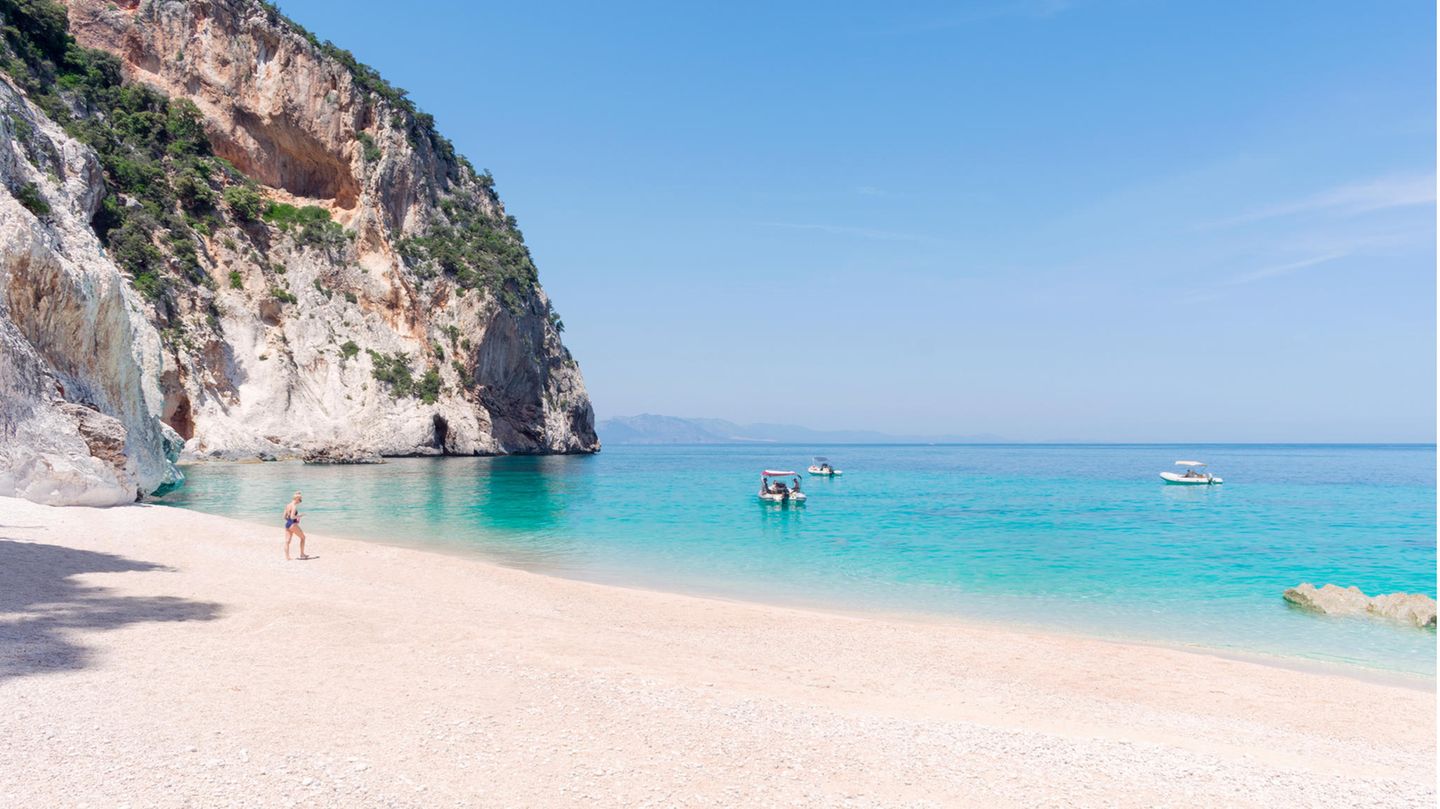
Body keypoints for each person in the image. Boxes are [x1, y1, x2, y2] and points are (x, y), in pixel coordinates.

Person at [283, 491, 309, 560]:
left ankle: (287, 557)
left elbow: (284, 517)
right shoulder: (294, 506)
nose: (300, 501)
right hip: (292, 525)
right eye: (300, 500)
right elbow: (292, 517)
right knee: (303, 538)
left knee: (287, 541)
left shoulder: (288, 505)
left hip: (287, 524)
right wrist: (300, 516)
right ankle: (302, 554)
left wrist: (290, 521)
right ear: (297, 499)